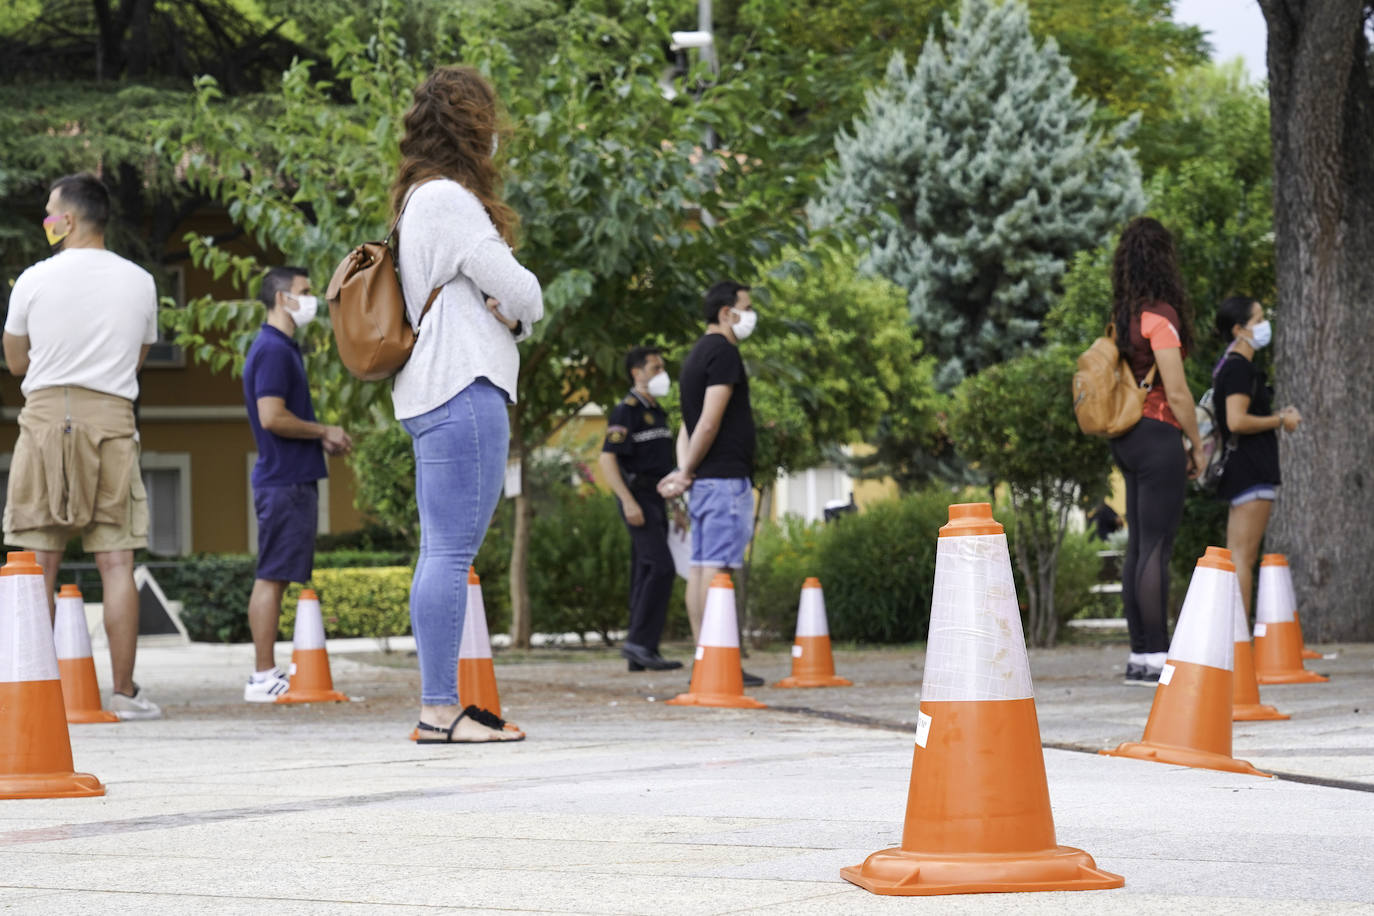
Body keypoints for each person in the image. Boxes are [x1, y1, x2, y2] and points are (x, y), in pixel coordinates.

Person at [391, 66, 543, 743]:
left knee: (440, 551)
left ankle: (439, 705)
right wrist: (516, 315)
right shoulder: (449, 200)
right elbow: (525, 293)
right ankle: (440, 709)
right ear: (473, 126)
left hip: (431, 391)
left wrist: (506, 311)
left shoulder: (416, 198)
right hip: (463, 386)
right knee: (450, 553)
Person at [2, 172, 161, 719]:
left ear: (67, 219)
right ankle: (124, 692)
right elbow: (137, 358)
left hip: (45, 417)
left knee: (37, 564)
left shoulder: (33, 279)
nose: (46, 220)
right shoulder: (140, 281)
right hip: (112, 417)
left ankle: (36, 699)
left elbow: (16, 361)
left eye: (50, 211)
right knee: (116, 561)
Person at [241, 266, 352, 701]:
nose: (313, 301)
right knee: (271, 576)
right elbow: (272, 417)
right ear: (282, 298)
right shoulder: (272, 350)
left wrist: (318, 437)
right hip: (284, 481)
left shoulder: (282, 348)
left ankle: (267, 673)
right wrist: (323, 430)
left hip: (289, 478)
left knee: (278, 576)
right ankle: (263, 676)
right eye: (305, 292)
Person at [1107, 217, 1205, 687]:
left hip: (1125, 437)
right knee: (1156, 549)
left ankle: (1140, 656)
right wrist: (1197, 444)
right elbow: (1180, 393)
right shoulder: (1160, 316)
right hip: (1158, 433)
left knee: (1139, 546)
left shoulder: (1124, 317)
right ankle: (1158, 655)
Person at [657, 281, 763, 687]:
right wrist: (686, 472)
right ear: (725, 313)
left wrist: (685, 470)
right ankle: (719, 665)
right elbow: (708, 420)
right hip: (722, 482)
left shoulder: (694, 357)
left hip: (705, 483)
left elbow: (688, 424)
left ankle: (707, 659)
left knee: (701, 568)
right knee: (717, 572)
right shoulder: (723, 353)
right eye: (746, 307)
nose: (750, 315)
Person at [1212, 296, 1301, 617]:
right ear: (1239, 329)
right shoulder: (1238, 368)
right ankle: (1238, 642)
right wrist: (1280, 420)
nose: (1265, 325)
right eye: (1258, 319)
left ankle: (1233, 639)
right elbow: (1236, 420)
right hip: (1251, 472)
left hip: (1243, 471)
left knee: (1238, 556)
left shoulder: (1231, 366)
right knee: (1242, 558)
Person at [598, 346, 684, 673]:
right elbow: (607, 459)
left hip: (659, 497)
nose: (661, 373)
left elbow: (664, 467)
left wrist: (676, 506)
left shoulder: (657, 411)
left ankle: (642, 649)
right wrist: (627, 501)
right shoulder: (627, 410)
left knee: (645, 571)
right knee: (660, 567)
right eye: (655, 367)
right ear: (637, 372)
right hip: (638, 497)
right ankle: (638, 642)